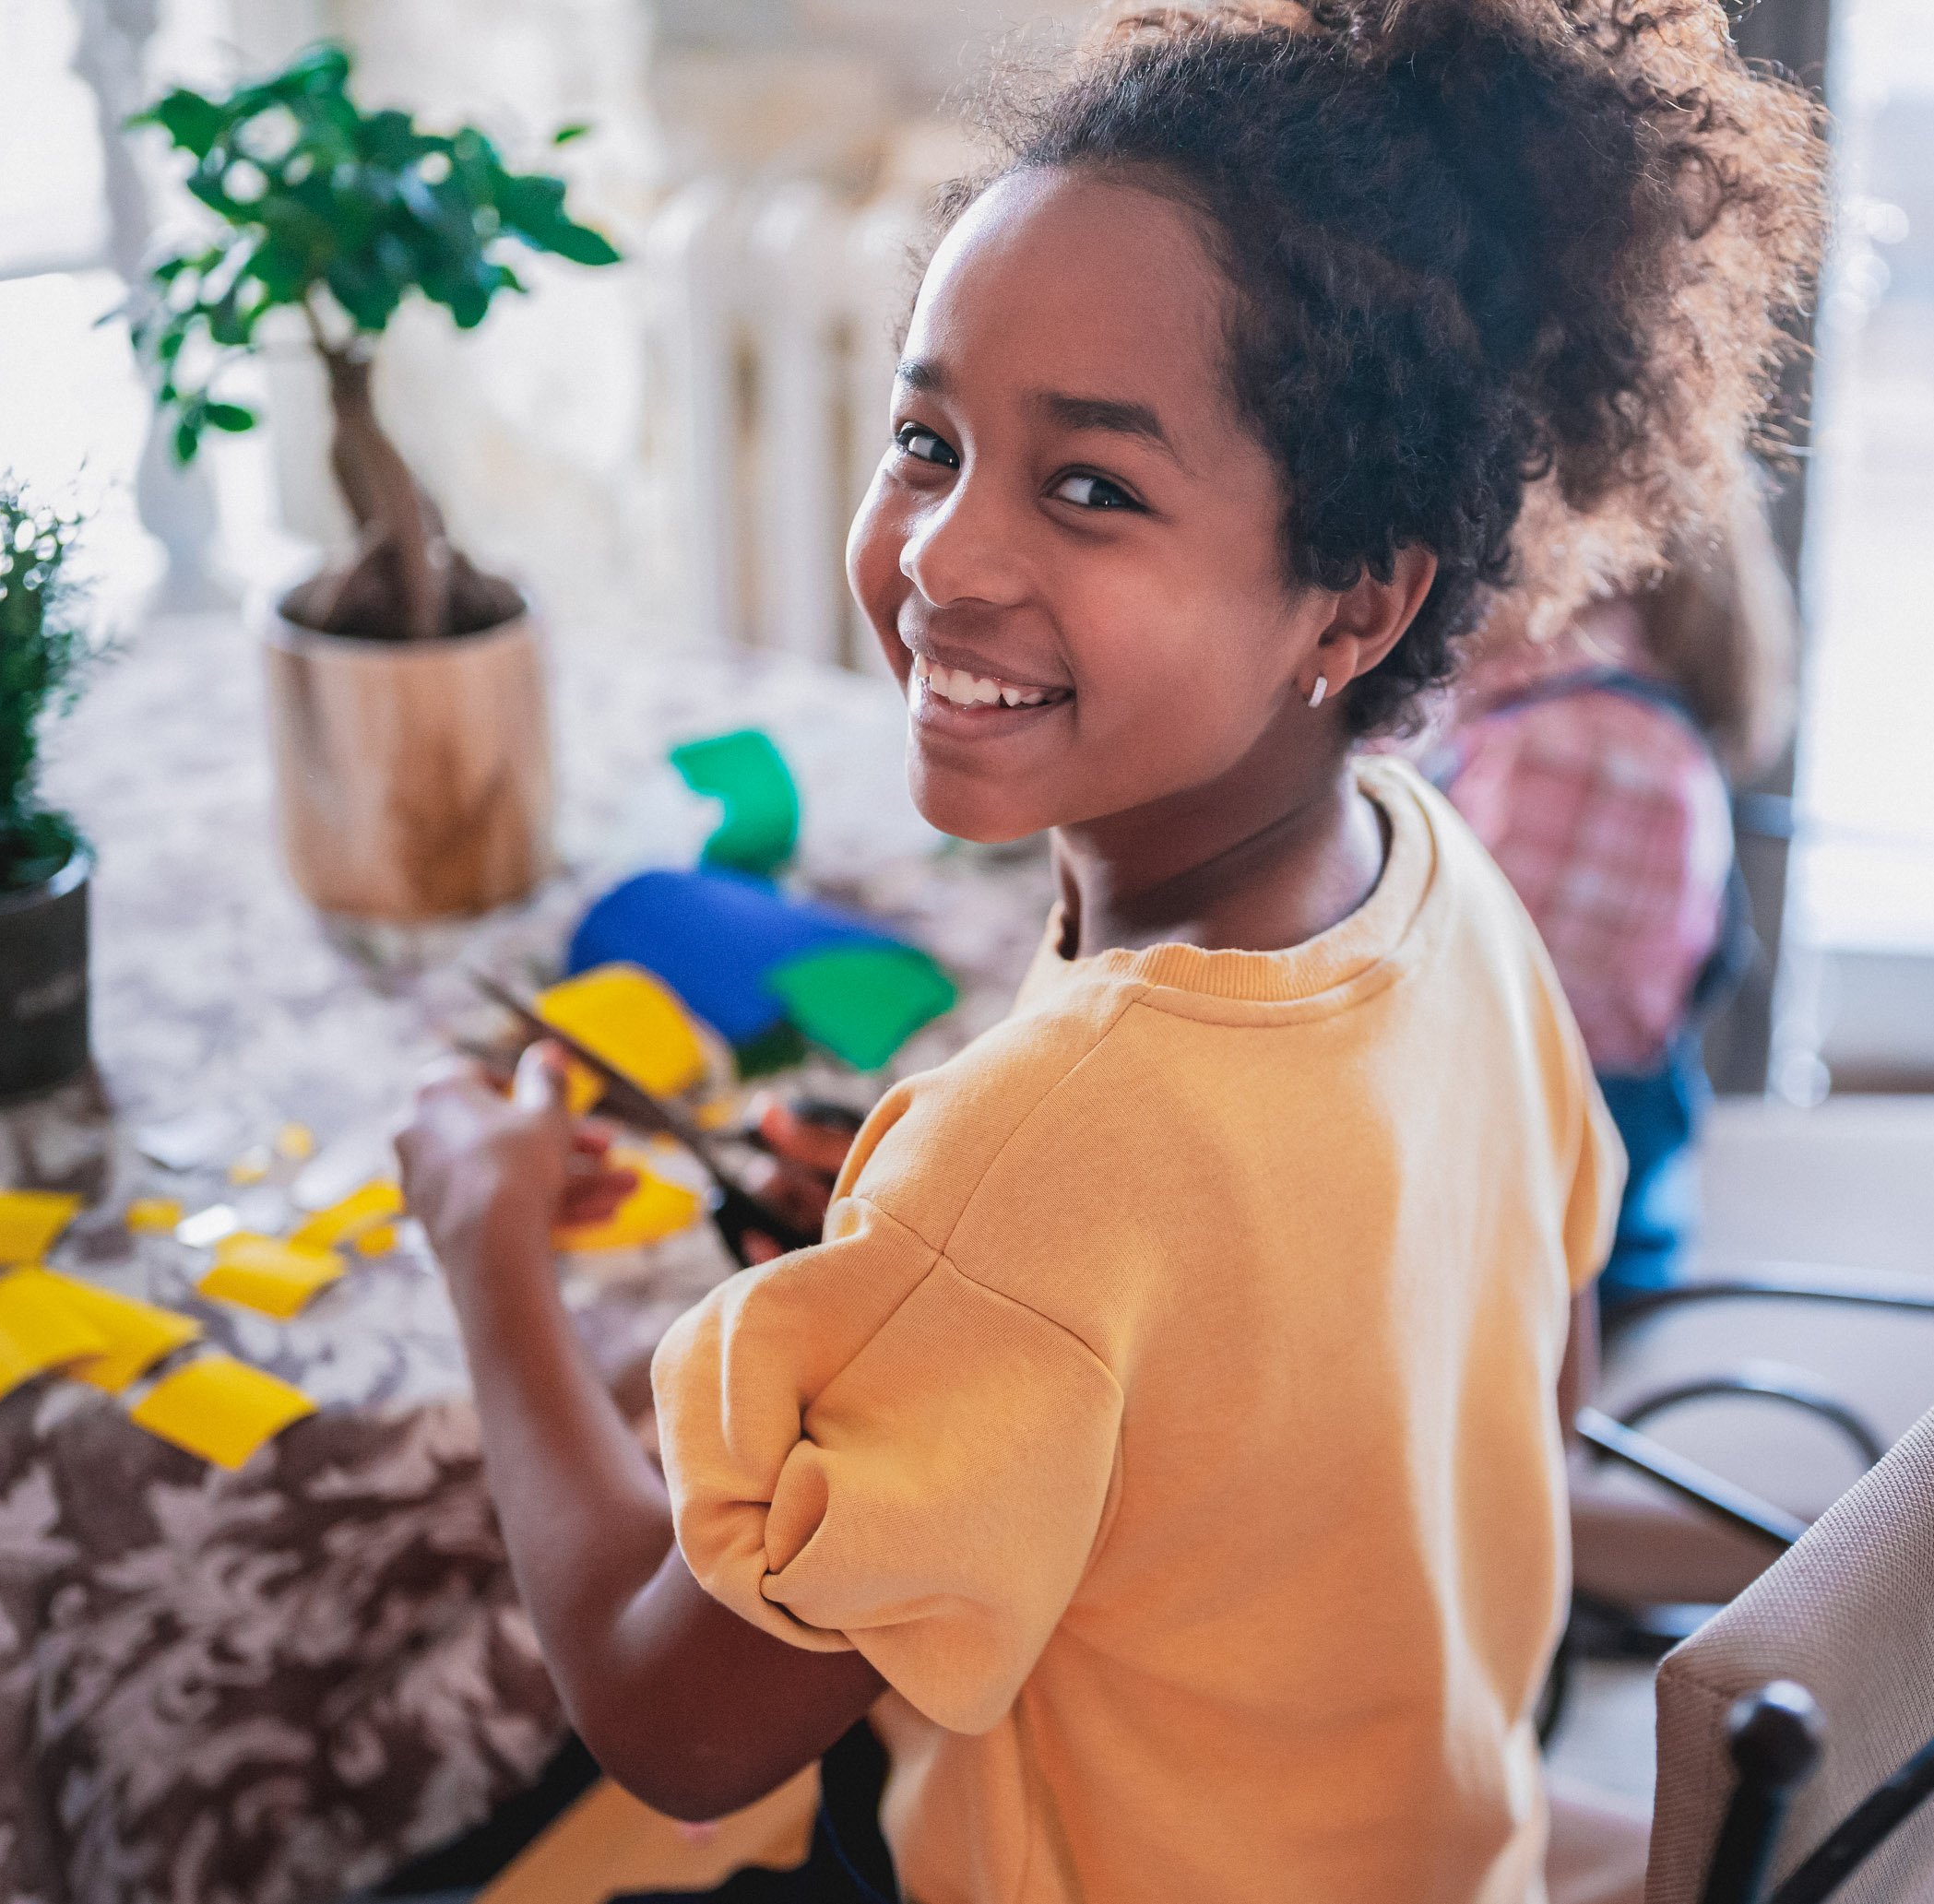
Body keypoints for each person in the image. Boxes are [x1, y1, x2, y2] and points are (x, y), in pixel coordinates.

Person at [394, 4, 1822, 1898]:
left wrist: (489, 1249)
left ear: (1358, 595)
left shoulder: (1042, 1159)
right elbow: (1508, 1380)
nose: (941, 559)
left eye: (1091, 488)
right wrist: (988, 1315)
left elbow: (676, 1723)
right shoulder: (1432, 878)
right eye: (928, 439)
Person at [1433, 503, 1803, 1302]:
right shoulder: (1655, 735)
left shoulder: (1570, 751)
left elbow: (1475, 1052)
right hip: (1620, 1195)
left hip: (1537, 1257)